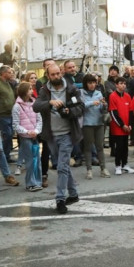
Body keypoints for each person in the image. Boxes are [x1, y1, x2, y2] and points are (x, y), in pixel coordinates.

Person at [33, 63, 84, 214]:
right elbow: (36, 106)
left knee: (62, 167)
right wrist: (49, 102)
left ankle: (60, 199)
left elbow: (80, 108)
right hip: (51, 135)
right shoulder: (44, 90)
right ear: (47, 75)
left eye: (58, 74)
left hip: (67, 134)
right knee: (64, 166)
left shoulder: (71, 89)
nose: (56, 76)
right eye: (53, 74)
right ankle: (73, 194)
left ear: (61, 73)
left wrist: (69, 111)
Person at [12, 81, 43, 191]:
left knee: (37, 159)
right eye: (29, 89)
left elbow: (39, 120)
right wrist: (27, 132)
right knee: (30, 160)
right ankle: (30, 183)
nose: (32, 90)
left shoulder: (34, 103)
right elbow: (15, 124)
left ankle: (38, 182)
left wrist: (36, 131)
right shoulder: (16, 106)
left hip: (34, 136)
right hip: (25, 137)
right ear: (24, 91)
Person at [79, 74, 110, 179]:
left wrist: (104, 105)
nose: (92, 85)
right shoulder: (81, 92)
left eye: (94, 83)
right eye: (90, 83)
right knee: (88, 147)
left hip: (99, 122)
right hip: (87, 123)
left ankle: (103, 169)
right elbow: (81, 106)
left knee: (100, 146)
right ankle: (89, 170)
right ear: (86, 84)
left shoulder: (99, 92)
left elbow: (102, 108)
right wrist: (93, 102)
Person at [108, 77, 134, 175]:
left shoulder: (127, 96)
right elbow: (113, 113)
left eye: (124, 83)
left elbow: (130, 112)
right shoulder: (113, 96)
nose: (123, 85)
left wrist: (130, 125)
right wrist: (122, 125)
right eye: (121, 83)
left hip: (127, 127)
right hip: (118, 127)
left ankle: (125, 164)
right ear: (116, 85)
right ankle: (118, 165)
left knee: (125, 147)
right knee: (119, 146)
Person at [0, 65, 16, 162]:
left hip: (10, 114)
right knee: (7, 134)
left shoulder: (8, 84)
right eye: (9, 72)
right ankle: (4, 156)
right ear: (3, 73)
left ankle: (6, 155)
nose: (11, 74)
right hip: (2, 114)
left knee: (10, 135)